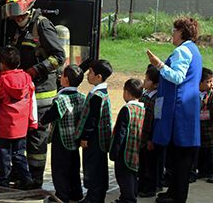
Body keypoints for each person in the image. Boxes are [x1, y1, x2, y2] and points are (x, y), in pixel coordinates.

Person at [0, 0, 66, 187]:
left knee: (37, 137)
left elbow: (59, 57)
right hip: (25, 91)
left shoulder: (42, 26)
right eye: (13, 14)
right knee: (22, 136)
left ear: (28, 9)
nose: (16, 18)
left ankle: (35, 178)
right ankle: (21, 174)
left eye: (18, 13)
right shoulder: (20, 28)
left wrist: (36, 70)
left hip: (43, 91)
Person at [146, 17, 202, 203]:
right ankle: (173, 192)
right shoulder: (193, 49)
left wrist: (158, 64)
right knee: (178, 156)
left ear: (182, 32)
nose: (172, 34)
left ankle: (177, 197)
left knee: (180, 157)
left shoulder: (183, 50)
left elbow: (178, 77)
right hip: (185, 107)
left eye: (175, 30)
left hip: (179, 109)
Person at [0, 47, 37, 189]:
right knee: (19, 154)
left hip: (4, 129)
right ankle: (26, 178)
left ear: (2, 64)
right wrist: (33, 122)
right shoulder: (28, 80)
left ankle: (3, 180)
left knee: (4, 155)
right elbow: (32, 103)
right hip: (21, 128)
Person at [40, 65, 86, 202]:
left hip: (61, 138)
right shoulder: (82, 96)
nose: (60, 77)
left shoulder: (61, 99)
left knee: (60, 169)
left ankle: (62, 195)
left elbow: (51, 115)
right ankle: (76, 194)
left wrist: (40, 122)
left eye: (63, 75)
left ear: (66, 80)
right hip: (75, 138)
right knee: (74, 167)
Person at [75, 59, 113, 202]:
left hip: (94, 138)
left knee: (92, 167)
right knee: (99, 166)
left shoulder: (96, 96)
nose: (87, 75)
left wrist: (85, 137)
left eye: (90, 72)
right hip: (101, 138)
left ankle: (93, 197)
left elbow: (92, 119)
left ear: (99, 77)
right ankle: (98, 195)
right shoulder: (102, 91)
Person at [110, 78, 145, 203]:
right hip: (137, 148)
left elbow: (120, 132)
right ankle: (130, 195)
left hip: (124, 150)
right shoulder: (143, 108)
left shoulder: (126, 110)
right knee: (133, 174)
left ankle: (128, 198)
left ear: (127, 93)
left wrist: (114, 150)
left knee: (124, 176)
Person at [138, 65, 162, 198]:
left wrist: (151, 139)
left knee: (151, 165)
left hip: (150, 138)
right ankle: (141, 185)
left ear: (156, 84)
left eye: (147, 80)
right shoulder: (145, 95)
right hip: (142, 136)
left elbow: (156, 120)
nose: (144, 82)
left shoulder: (157, 99)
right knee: (142, 163)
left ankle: (150, 188)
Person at [196, 68, 213, 184]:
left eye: (212, 81)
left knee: (212, 152)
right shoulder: (194, 95)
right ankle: (202, 171)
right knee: (201, 151)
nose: (211, 84)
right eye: (208, 81)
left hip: (211, 129)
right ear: (199, 82)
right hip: (199, 129)